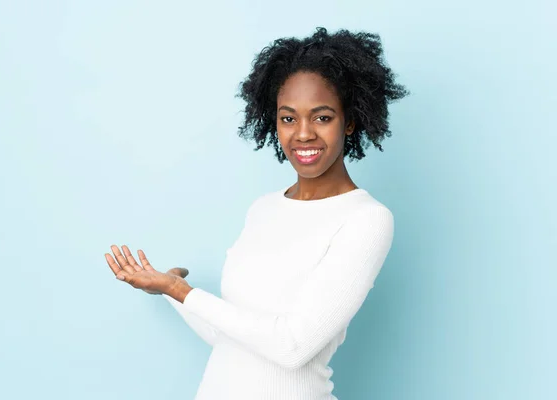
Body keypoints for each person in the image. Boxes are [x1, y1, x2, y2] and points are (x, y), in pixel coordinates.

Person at [105, 27, 409, 400]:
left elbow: (292, 347)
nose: (303, 134)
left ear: (349, 121)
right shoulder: (263, 208)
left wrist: (181, 291)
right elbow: (231, 340)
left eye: (322, 117)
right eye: (288, 118)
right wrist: (168, 290)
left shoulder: (366, 219)